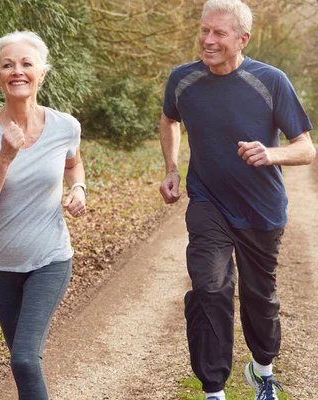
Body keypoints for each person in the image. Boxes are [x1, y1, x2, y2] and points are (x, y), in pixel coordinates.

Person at [159, 0, 315, 399]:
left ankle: (262, 371)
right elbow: (169, 119)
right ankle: (214, 390)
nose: (207, 40)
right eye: (204, 30)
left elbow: (306, 148)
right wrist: (172, 168)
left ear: (242, 39)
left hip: (262, 209)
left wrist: (272, 154)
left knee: (260, 297)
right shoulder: (182, 79)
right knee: (209, 287)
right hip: (208, 203)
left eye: (219, 33)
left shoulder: (271, 80)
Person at [0, 31, 86, 400]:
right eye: (8, 64)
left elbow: (74, 166)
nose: (18, 71)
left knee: (26, 359)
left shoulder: (66, 126)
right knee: (21, 361)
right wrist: (5, 157)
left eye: (27, 63)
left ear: (41, 73)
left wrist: (78, 188)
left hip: (49, 259)